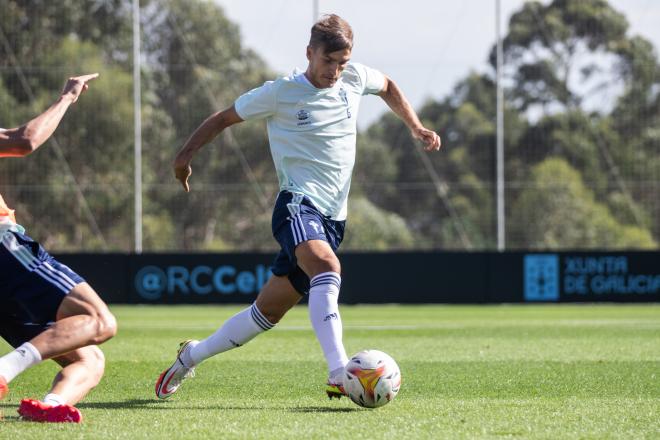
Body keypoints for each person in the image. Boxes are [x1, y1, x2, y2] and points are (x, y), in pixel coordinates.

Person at [155, 14, 440, 400]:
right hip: (297, 204)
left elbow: (387, 85)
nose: (336, 71)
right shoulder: (281, 92)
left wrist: (414, 125)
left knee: (266, 314)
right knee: (327, 266)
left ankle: (192, 354)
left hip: (333, 219)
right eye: (328, 62)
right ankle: (339, 371)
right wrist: (184, 156)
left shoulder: (354, 78)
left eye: (342, 62)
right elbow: (224, 118)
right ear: (310, 53)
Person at [0, 74, 117, 423]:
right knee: (100, 320)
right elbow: (25, 140)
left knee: (89, 359)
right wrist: (67, 96)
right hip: (4, 247)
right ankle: (5, 370)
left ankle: (49, 406)